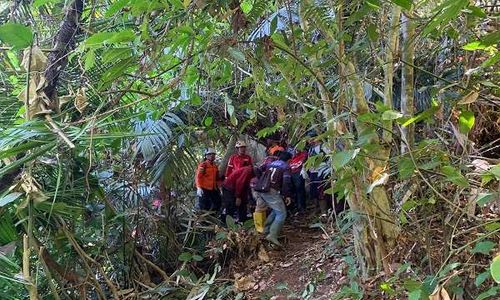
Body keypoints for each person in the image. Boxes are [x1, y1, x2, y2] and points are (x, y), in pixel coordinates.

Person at [254, 151, 293, 246]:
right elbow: (286, 182)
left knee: (275, 211)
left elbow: (257, 169)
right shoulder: (286, 167)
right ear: (288, 160)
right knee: (282, 214)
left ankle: (265, 231)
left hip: (262, 189)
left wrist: (261, 180)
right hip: (272, 190)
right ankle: (273, 235)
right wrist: (287, 195)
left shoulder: (270, 163)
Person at [289, 148, 308, 214]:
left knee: (300, 190)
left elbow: (303, 161)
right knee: (294, 191)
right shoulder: (293, 154)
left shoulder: (304, 153)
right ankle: (297, 206)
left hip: (298, 172)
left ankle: (301, 207)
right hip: (292, 173)